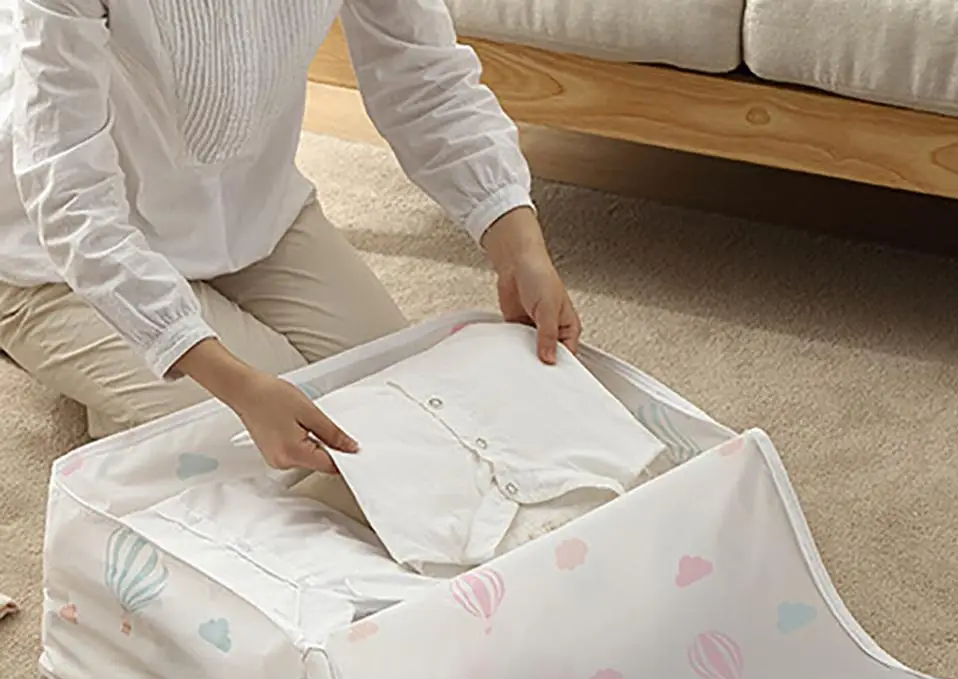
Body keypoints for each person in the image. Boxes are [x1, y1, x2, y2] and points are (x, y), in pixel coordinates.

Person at [0, 0, 581, 474]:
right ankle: (109, 376)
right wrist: (234, 382)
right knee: (256, 452)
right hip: (48, 250)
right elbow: (69, 191)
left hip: (252, 209)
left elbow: (424, 76)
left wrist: (519, 248)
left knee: (401, 403)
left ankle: (159, 369)